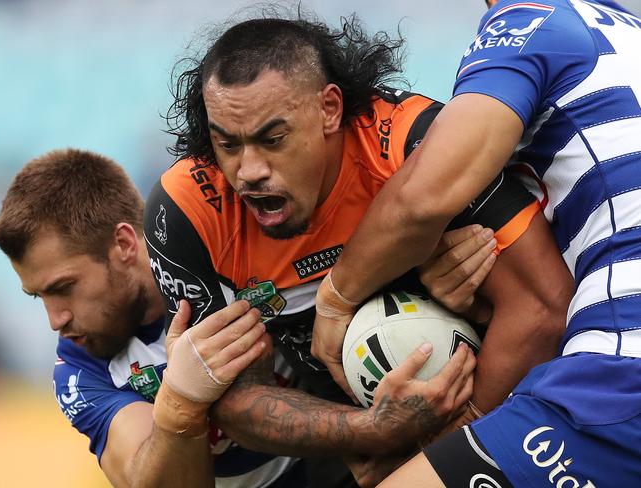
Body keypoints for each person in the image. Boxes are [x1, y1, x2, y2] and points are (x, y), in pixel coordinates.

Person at [148, 13, 573, 485]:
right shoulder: (189, 207)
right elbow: (232, 398)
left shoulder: (414, 143)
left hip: (496, 413)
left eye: (273, 139)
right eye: (226, 143)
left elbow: (542, 308)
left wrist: (439, 448)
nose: (248, 171)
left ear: (329, 108)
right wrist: (371, 432)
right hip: (345, 446)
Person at [312, 1, 641, 486]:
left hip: (621, 366)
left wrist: (335, 302)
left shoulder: (532, 21)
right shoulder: (626, 29)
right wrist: (480, 303)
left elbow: (424, 197)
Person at [0, 149, 303, 488]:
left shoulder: (226, 253)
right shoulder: (79, 368)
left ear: (123, 244)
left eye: (64, 287)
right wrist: (180, 402)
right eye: (39, 296)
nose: (55, 320)